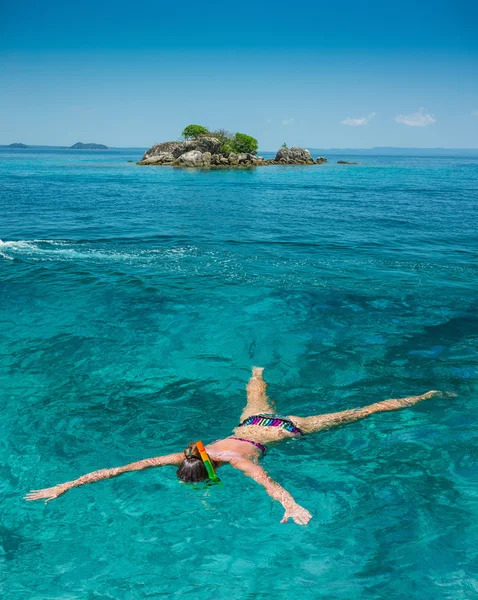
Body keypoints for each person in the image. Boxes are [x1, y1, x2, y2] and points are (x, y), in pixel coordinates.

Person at [25, 367, 449, 525]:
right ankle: (257, 369)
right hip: (252, 423)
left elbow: (269, 481)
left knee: (365, 411)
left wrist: (290, 505)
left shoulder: (232, 461)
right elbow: (118, 469)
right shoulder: (190, 452)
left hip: (288, 430)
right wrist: (67, 484)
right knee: (255, 389)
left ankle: (423, 397)